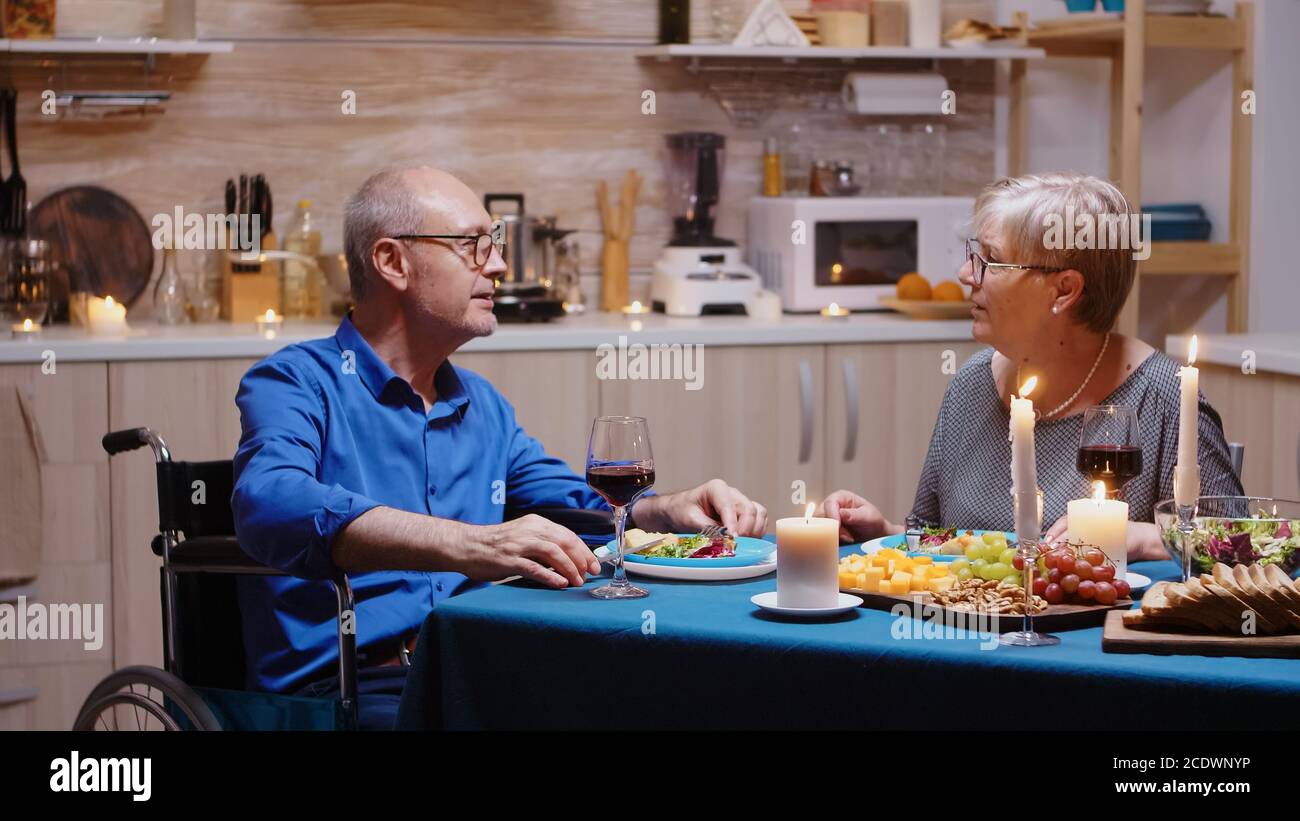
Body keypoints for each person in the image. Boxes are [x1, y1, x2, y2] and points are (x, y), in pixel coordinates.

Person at [232, 166, 767, 727]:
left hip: (477, 664)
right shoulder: (295, 382)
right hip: (348, 688)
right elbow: (271, 501)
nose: (499, 266)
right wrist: (467, 544)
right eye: (472, 246)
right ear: (392, 262)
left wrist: (666, 511)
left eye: (496, 245)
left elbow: (571, 503)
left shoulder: (481, 404)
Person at [819, 172, 1242, 560]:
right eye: (973, 255)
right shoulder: (972, 383)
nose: (965, 274)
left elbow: (1244, 549)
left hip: (1094, 641)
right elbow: (937, 540)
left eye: (990, 259)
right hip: (970, 634)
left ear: (1064, 290)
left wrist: (1144, 537)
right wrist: (884, 533)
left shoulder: (1163, 397)